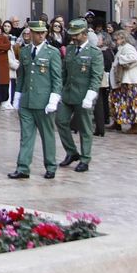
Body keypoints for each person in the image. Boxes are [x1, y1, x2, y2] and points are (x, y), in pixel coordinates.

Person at [9, 20, 63, 180]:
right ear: (30, 33)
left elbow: (57, 78)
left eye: (43, 32)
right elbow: (22, 77)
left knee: (47, 135)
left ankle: (51, 166)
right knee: (26, 136)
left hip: (44, 102)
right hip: (27, 100)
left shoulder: (52, 52)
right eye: (37, 32)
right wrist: (17, 96)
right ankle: (23, 167)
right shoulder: (25, 51)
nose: (40, 35)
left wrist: (54, 99)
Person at [57, 19, 103, 172]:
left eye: (76, 35)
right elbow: (64, 72)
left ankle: (85, 158)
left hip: (84, 96)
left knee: (85, 128)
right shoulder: (70, 49)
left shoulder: (94, 52)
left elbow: (96, 76)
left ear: (85, 34)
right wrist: (58, 91)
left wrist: (90, 95)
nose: (73, 38)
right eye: (72, 35)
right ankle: (71, 152)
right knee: (60, 121)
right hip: (68, 94)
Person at [110, 31, 137, 134]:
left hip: (130, 80)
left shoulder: (128, 47)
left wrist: (121, 59)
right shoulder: (122, 48)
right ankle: (117, 122)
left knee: (131, 103)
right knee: (119, 102)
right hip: (123, 81)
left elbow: (133, 58)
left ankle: (134, 126)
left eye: (117, 39)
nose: (116, 41)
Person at [0, 18, 15, 111]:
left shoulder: (4, 37)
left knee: (4, 85)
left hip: (3, 66)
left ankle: (2, 102)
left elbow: (7, 46)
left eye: (0, 28)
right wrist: (1, 48)